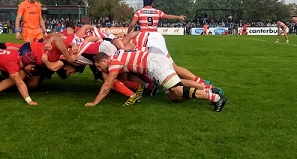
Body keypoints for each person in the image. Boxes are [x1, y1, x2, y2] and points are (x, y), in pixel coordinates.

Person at [87, 51, 227, 112]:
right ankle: (209, 90)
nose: (100, 70)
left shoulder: (113, 63)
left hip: (154, 64)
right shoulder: (115, 59)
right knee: (175, 97)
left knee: (177, 89)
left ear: (104, 60)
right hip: (153, 64)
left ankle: (215, 97)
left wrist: (95, 102)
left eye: (100, 66)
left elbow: (108, 84)